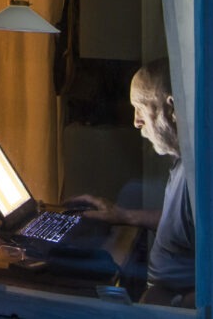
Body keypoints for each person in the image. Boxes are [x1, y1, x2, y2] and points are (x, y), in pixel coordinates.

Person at [64, 58, 195, 308]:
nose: (136, 121)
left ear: (173, 109)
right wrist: (123, 215)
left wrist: (173, 305)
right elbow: (182, 225)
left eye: (140, 107)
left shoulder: (198, 179)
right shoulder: (183, 162)